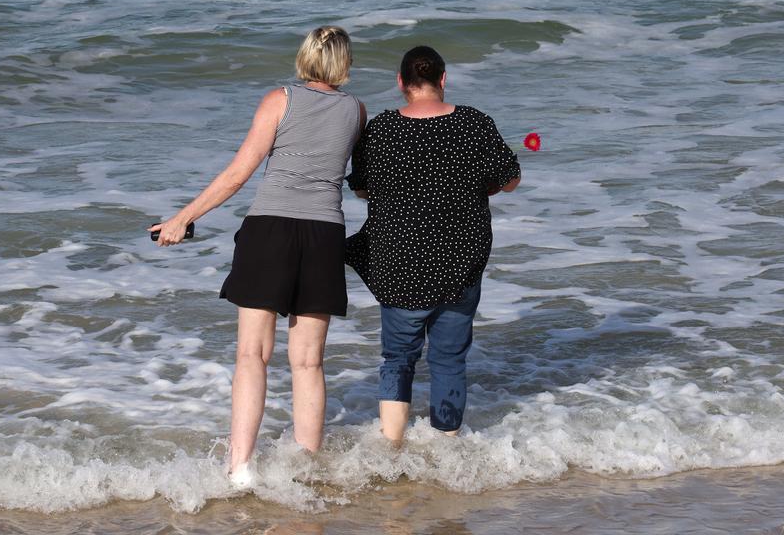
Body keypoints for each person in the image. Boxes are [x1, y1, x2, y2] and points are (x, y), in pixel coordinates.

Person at [151, 26, 365, 484]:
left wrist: (183, 218)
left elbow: (237, 174)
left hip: (271, 230)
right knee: (308, 361)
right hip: (325, 234)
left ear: (306, 57)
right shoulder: (355, 110)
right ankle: (306, 471)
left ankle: (240, 467)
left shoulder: (279, 100)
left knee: (252, 354)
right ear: (344, 63)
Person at [345, 45, 520, 444]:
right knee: (448, 359)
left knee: (397, 359)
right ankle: (446, 451)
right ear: (443, 80)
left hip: (398, 265)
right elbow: (509, 179)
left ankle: (391, 447)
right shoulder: (474, 124)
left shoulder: (383, 129)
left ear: (401, 83)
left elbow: (362, 190)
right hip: (460, 262)